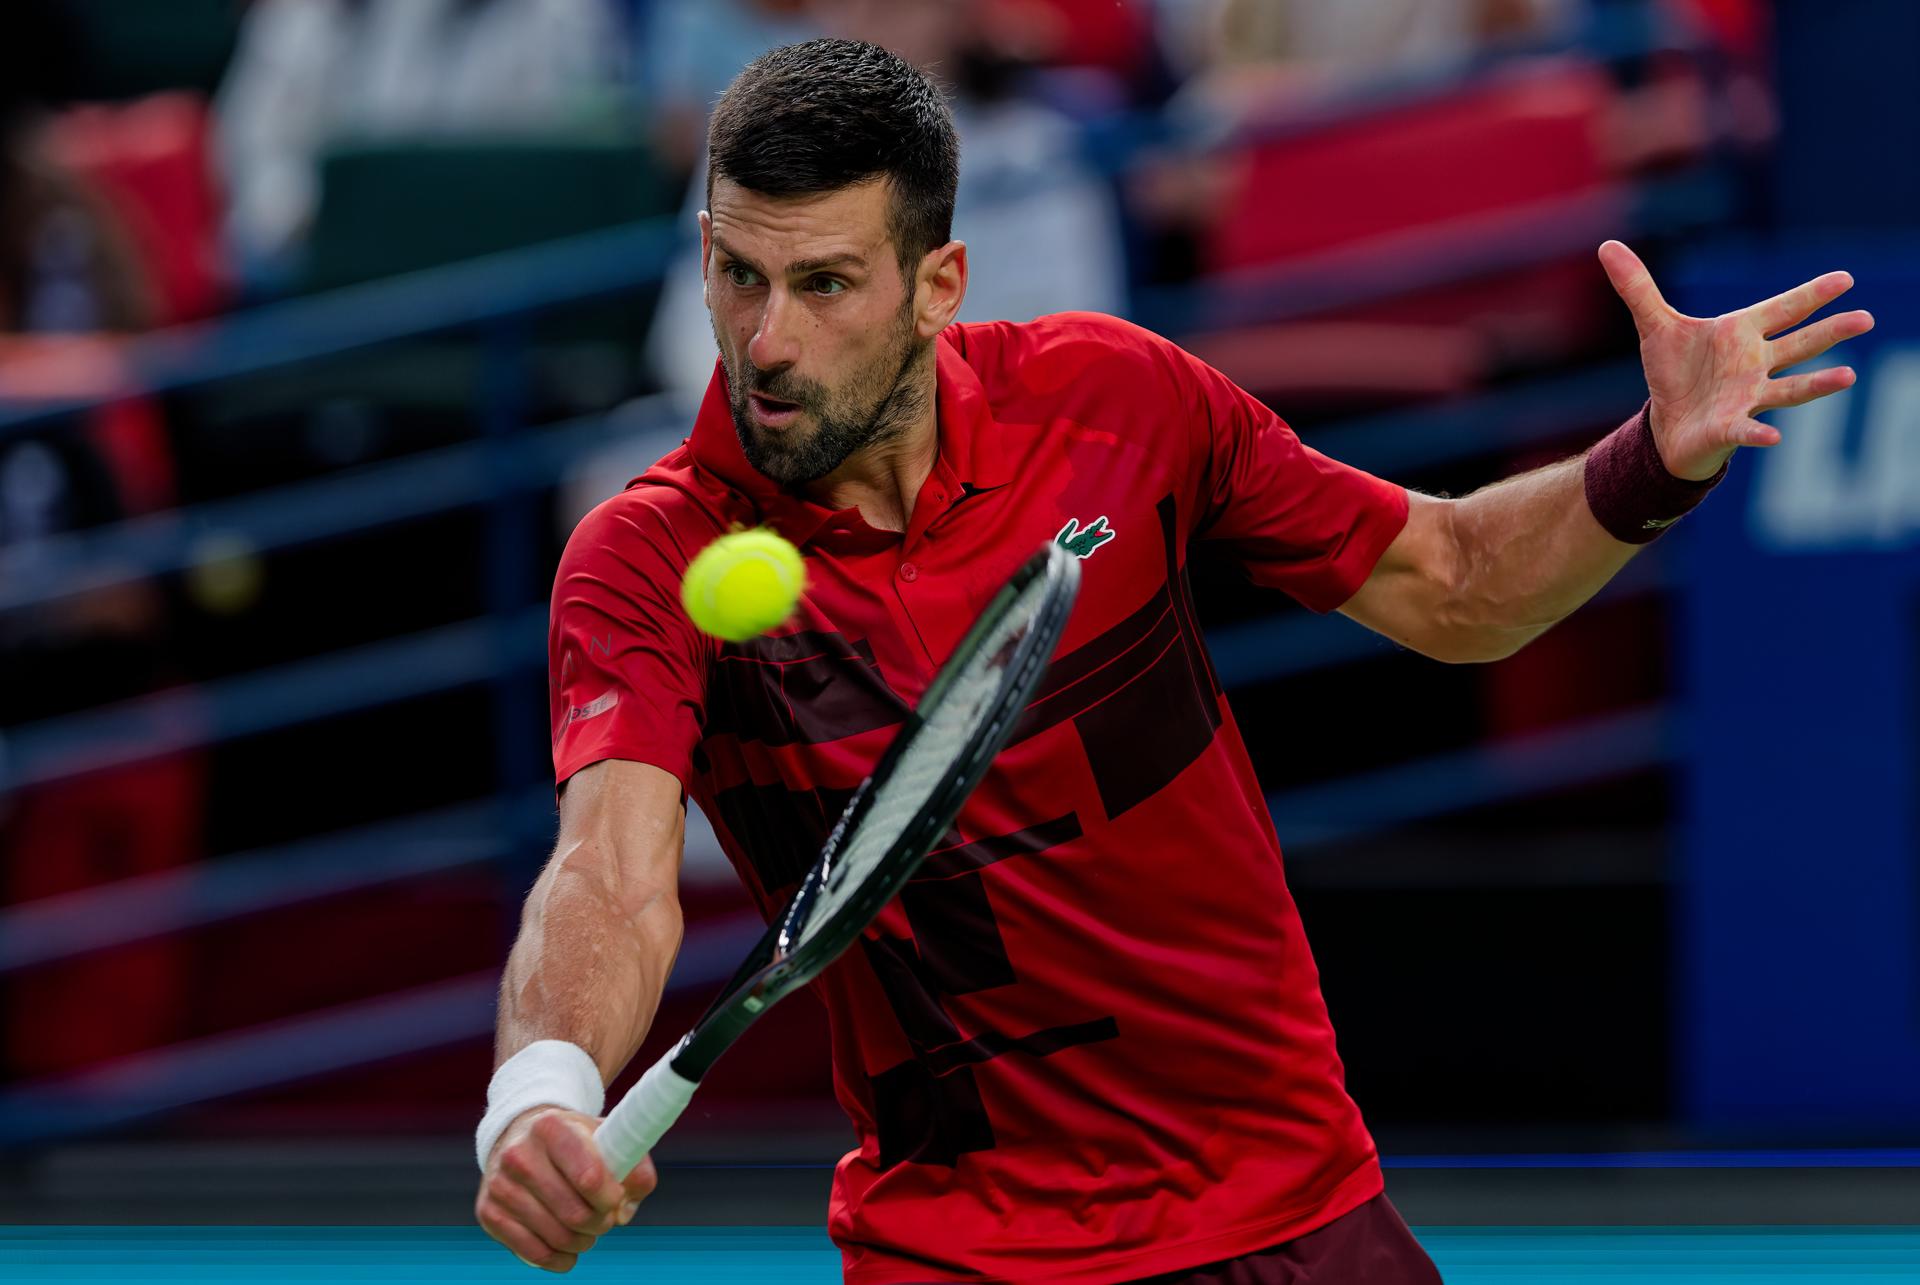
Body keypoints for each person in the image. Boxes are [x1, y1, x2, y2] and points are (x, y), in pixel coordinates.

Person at [473, 37, 1871, 1282]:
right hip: (964, 1252)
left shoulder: (1116, 400)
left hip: (1293, 1217)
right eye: (738, 273)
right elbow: (607, 872)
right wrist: (539, 1091)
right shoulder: (645, 557)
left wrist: (1653, 464)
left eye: (826, 282)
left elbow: (1447, 582)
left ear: (936, 285)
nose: (766, 344)